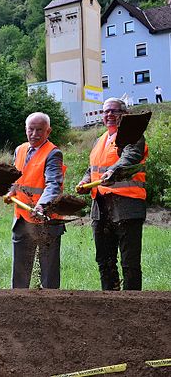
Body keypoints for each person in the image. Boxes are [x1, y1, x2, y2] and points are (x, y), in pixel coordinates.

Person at [77, 98, 148, 291]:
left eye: (114, 111)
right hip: (101, 206)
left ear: (124, 114)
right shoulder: (100, 140)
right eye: (106, 111)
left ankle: (132, 304)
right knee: (104, 260)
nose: (109, 115)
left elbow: (130, 156)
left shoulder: (133, 135)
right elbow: (93, 168)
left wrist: (113, 171)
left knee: (129, 262)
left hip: (127, 205)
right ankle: (110, 300)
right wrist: (85, 180)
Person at [5, 112, 66, 289]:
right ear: (25, 129)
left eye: (40, 130)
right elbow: (16, 179)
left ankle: (51, 304)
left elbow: (54, 184)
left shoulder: (53, 153)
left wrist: (42, 205)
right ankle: (18, 303)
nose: (34, 134)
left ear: (48, 131)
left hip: (46, 218)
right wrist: (11, 192)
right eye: (31, 129)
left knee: (48, 270)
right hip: (22, 217)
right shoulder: (20, 150)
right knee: (20, 270)